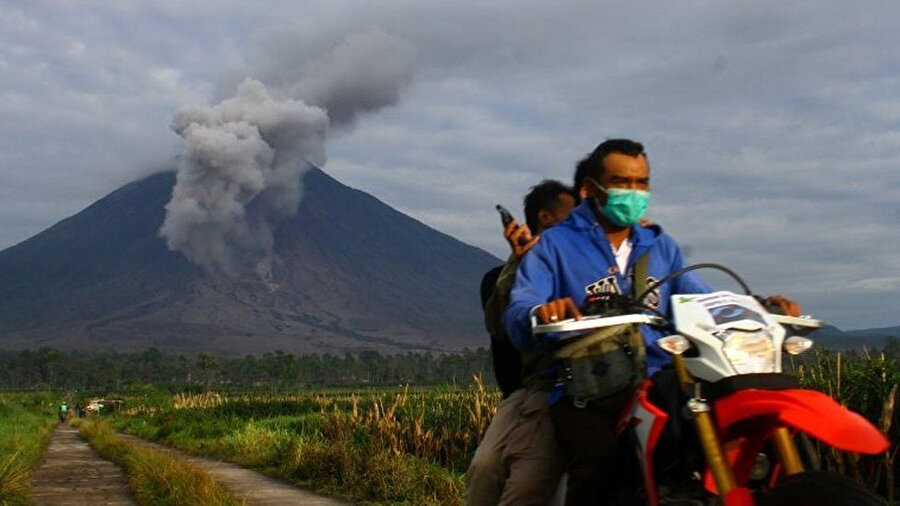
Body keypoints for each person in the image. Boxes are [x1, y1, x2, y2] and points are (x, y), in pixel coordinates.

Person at [503, 139, 801, 504]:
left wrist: (760, 306)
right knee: (600, 462)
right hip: (587, 389)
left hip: (663, 379)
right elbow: (520, 309)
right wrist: (541, 312)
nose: (633, 192)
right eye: (620, 182)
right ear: (591, 188)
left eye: (641, 183)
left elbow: (702, 299)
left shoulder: (660, 246)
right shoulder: (554, 246)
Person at [466, 180, 577, 506]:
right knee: (486, 468)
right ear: (544, 219)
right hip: (535, 390)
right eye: (572, 219)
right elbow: (501, 323)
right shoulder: (505, 278)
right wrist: (520, 262)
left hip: (595, 384)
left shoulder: (588, 268)